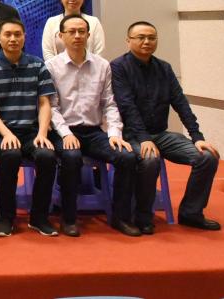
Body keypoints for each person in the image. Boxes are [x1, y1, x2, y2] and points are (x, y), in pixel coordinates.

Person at [111, 21, 221, 232]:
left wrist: (197, 137)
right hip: (131, 135)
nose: (147, 41)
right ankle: (143, 216)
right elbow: (127, 106)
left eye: (151, 38)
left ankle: (191, 213)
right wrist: (144, 138)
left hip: (161, 134)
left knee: (207, 157)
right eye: (141, 37)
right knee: (149, 159)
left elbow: (181, 103)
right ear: (128, 41)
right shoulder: (118, 67)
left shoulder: (164, 68)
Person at [47, 14, 148, 237]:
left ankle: (121, 218)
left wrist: (114, 134)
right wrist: (65, 133)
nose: (77, 36)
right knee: (71, 157)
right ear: (61, 36)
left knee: (126, 156)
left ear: (88, 35)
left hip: (93, 132)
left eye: (81, 31)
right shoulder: (51, 66)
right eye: (71, 32)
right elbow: (51, 107)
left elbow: (110, 103)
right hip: (63, 131)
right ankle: (69, 219)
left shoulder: (102, 66)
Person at [0, 19, 58, 237]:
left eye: (17, 34)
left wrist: (42, 133)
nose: (13, 39)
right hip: (0, 132)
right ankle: (6, 218)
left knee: (47, 156)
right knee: (11, 154)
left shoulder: (37, 65)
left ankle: (39, 217)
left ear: (24, 37)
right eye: (8, 34)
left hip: (31, 131)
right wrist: (6, 133)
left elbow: (44, 103)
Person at [40, 0, 106, 62]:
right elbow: (48, 52)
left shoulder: (94, 22)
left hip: (89, 69)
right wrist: (59, 68)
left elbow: (99, 52)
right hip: (57, 69)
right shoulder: (51, 22)